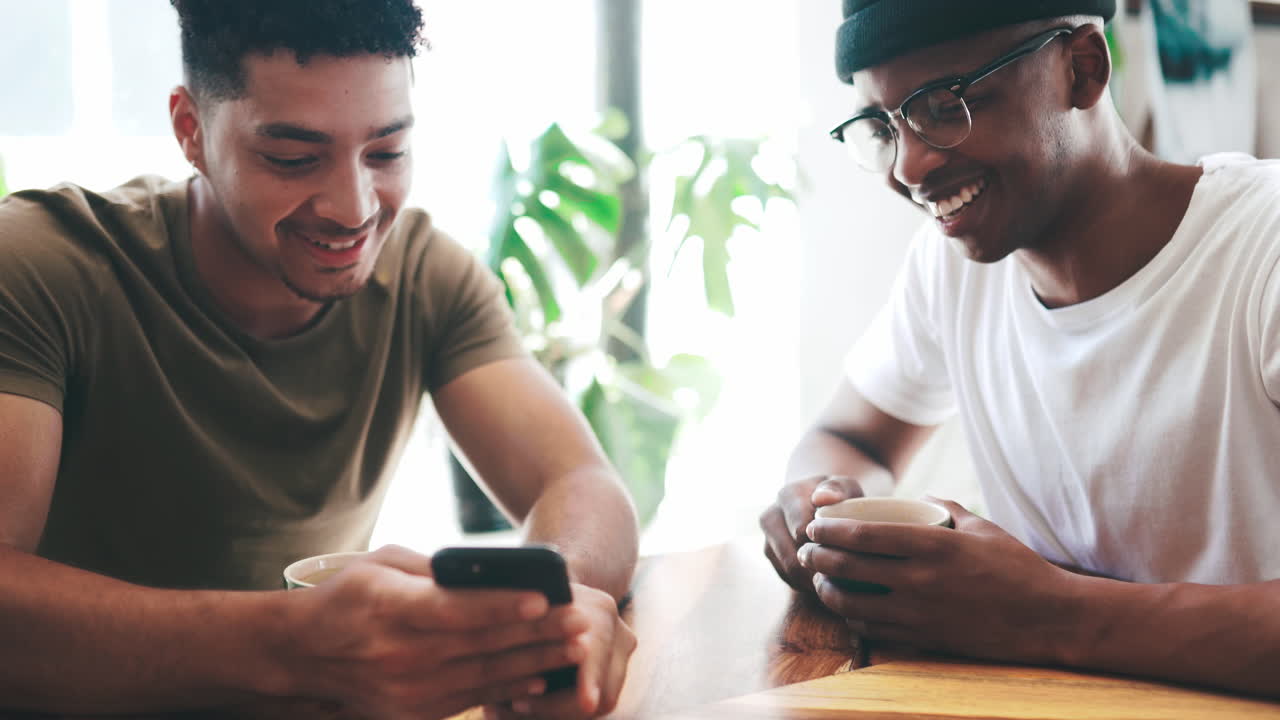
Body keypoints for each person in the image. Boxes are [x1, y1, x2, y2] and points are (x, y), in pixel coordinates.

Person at [0, 1, 637, 717]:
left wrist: (543, 615)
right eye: (294, 158)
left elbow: (581, 479)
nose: (353, 208)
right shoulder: (39, 268)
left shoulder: (426, 275)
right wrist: (290, 644)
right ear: (190, 130)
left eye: (387, 152)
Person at [761, 0, 1279, 698]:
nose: (908, 167)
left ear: (1083, 69)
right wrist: (819, 503)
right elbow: (854, 437)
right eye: (883, 126)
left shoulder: (1262, 251)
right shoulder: (949, 272)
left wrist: (1047, 614)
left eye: (944, 105)